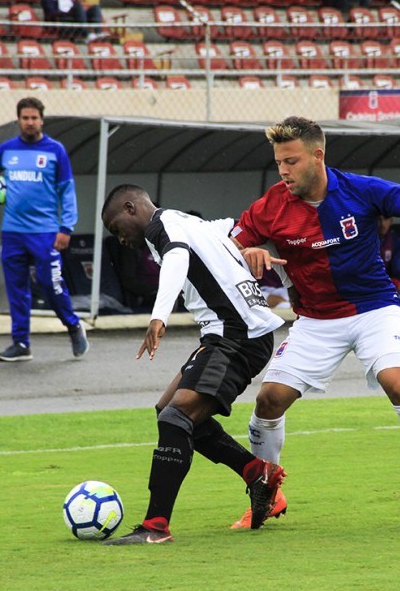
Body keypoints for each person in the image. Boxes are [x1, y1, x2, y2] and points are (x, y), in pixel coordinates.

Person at [229, 116, 400, 529]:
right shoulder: (271, 206)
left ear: (317, 156)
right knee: (268, 401)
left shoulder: (361, 189)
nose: (283, 171)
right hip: (316, 319)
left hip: (374, 309)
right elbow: (227, 248)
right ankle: (267, 491)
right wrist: (246, 253)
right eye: (279, 163)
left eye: (291, 162)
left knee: (399, 384)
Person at [100, 184, 287, 544]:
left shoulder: (163, 226)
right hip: (229, 334)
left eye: (116, 228)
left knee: (177, 417)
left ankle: (156, 527)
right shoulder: (190, 222)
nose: (120, 239)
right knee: (168, 411)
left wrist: (159, 316)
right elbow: (230, 228)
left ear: (130, 208)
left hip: (237, 335)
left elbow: (177, 257)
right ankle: (256, 472)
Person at [0, 97, 89, 363]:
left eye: (34, 118)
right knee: (17, 289)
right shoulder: (7, 150)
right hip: (12, 233)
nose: (30, 122)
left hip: (45, 233)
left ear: (42, 120)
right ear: (18, 120)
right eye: (25, 118)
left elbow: (67, 191)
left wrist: (66, 227)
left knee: (50, 284)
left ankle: (73, 326)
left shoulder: (55, 150)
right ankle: (21, 343)